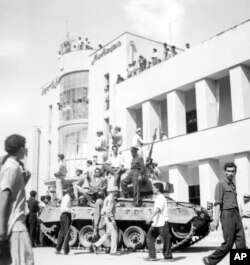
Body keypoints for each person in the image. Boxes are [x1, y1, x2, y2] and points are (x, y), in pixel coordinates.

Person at [203, 162, 247, 265]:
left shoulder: (232, 185)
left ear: (235, 172)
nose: (230, 173)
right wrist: (216, 219)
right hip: (227, 215)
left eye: (232, 171)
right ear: (225, 172)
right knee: (228, 243)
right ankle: (210, 260)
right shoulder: (220, 184)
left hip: (236, 214)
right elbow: (218, 203)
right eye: (228, 171)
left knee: (241, 243)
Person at [0, 134, 34, 265]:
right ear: (20, 148)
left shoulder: (11, 167)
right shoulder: (11, 168)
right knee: (25, 261)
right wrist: (1, 229)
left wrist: (24, 180)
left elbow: (12, 195)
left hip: (14, 224)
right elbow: (4, 197)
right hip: (15, 226)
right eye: (24, 147)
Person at [144, 182, 173, 261]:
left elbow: (158, 209)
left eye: (154, 188)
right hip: (156, 222)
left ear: (158, 189)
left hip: (162, 222)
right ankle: (152, 256)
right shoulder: (158, 197)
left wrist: (150, 218)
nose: (152, 189)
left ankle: (168, 257)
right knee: (150, 236)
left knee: (166, 239)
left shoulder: (160, 198)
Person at [92, 186, 120, 255]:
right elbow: (108, 210)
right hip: (110, 218)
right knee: (114, 234)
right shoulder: (111, 199)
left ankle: (96, 244)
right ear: (113, 192)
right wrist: (112, 220)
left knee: (108, 234)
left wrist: (104, 218)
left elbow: (103, 210)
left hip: (107, 218)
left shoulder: (107, 198)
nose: (117, 192)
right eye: (116, 191)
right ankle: (113, 251)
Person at [55, 185, 74, 255]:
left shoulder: (64, 197)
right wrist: (72, 211)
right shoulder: (68, 198)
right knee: (66, 233)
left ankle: (58, 249)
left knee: (62, 233)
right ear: (71, 192)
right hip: (66, 215)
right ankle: (66, 251)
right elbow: (66, 208)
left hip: (62, 215)